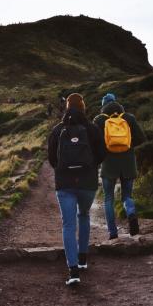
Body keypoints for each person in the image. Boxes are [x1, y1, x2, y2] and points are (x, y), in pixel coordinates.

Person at [48, 93, 105, 286]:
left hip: (64, 184)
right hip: (87, 183)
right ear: (83, 107)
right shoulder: (92, 129)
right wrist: (88, 167)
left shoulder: (57, 130)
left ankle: (73, 272)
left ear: (66, 107)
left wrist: (65, 169)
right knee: (84, 215)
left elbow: (52, 160)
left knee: (68, 225)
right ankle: (83, 260)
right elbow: (101, 155)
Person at [93, 93, 146, 238]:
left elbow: (94, 143)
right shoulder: (129, 118)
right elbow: (141, 138)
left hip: (109, 163)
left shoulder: (99, 120)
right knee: (127, 196)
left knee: (108, 198)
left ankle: (112, 232)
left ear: (103, 106)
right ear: (116, 103)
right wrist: (127, 145)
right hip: (128, 162)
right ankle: (131, 213)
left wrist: (105, 149)